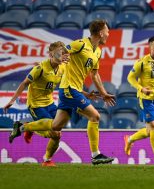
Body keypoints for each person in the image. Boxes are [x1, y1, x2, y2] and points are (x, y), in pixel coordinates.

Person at [9, 19, 116, 165]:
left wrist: (103, 93)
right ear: (101, 32)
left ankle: (22, 127)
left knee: (55, 127)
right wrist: (57, 59)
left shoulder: (98, 51)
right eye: (107, 31)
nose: (109, 34)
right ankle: (95, 155)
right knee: (95, 116)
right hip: (69, 89)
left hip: (74, 90)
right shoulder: (81, 44)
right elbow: (61, 50)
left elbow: (94, 75)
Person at [4, 41, 69, 167]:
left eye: (63, 53)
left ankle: (47, 160)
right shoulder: (40, 68)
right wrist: (12, 101)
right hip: (36, 105)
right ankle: (23, 128)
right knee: (52, 129)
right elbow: (24, 83)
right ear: (51, 54)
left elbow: (70, 83)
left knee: (57, 133)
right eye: (59, 53)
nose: (62, 55)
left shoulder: (63, 67)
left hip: (50, 103)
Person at [124, 36, 154, 167]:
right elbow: (130, 78)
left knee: (149, 131)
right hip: (146, 100)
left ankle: (130, 139)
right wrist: (141, 88)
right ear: (150, 47)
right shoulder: (142, 62)